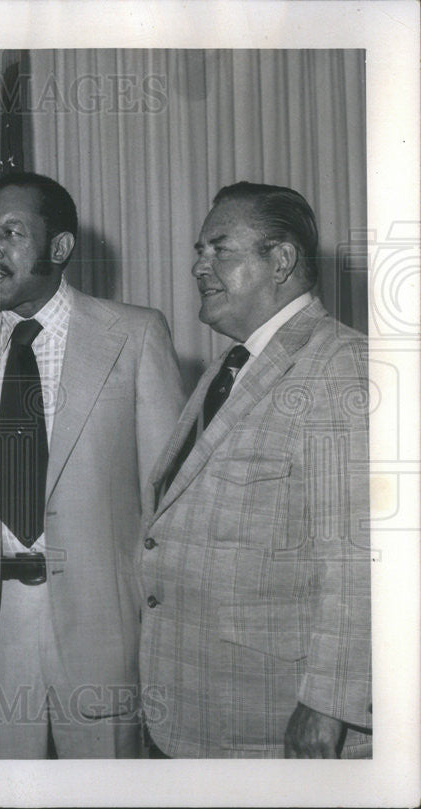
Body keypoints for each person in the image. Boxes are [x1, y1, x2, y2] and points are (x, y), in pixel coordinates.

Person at [0, 172, 186, 758]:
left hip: (104, 627)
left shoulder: (133, 334)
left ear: (60, 248)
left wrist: (168, 639)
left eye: (10, 232)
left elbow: (171, 502)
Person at [137, 182, 371, 758]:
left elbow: (362, 553)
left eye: (220, 250)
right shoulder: (230, 366)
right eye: (199, 251)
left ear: (283, 261)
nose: (199, 266)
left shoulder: (342, 364)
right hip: (200, 707)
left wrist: (328, 705)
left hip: (276, 721)